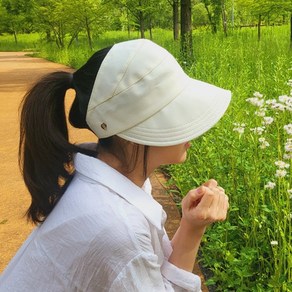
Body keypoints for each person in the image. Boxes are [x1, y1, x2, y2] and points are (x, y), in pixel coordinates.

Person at [0, 39, 231, 291]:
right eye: (176, 114)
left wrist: (191, 225)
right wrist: (194, 230)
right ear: (134, 130)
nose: (190, 128)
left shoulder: (110, 184)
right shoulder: (119, 228)